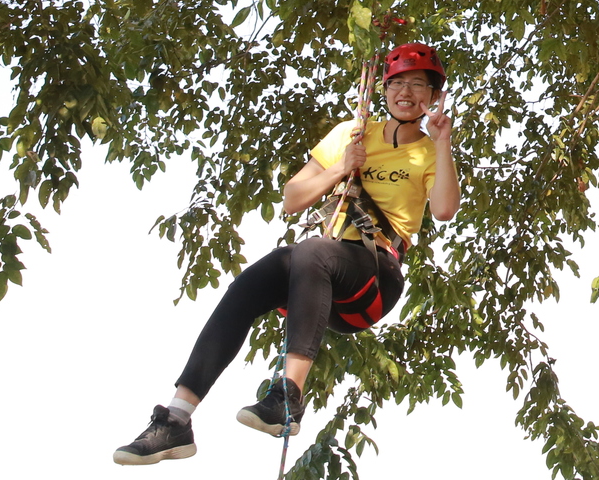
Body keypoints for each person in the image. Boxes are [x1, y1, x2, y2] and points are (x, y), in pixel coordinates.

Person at [113, 43, 461, 465]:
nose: (407, 92)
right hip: (322, 274)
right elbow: (292, 198)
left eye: (418, 85)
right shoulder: (351, 134)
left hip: (375, 276)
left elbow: (443, 210)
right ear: (384, 90)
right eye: (398, 83)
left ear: (434, 96)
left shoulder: (428, 151)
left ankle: (287, 398)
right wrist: (339, 168)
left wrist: (442, 143)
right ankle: (177, 419)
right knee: (251, 283)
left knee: (311, 251)